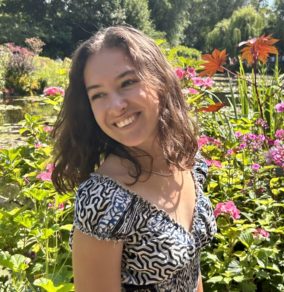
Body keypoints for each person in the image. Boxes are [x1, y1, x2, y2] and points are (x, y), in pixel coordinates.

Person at [51, 25, 217, 292]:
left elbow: (192, 270)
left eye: (127, 83)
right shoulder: (104, 198)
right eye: (98, 95)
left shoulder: (189, 161)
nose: (116, 106)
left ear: (160, 80)